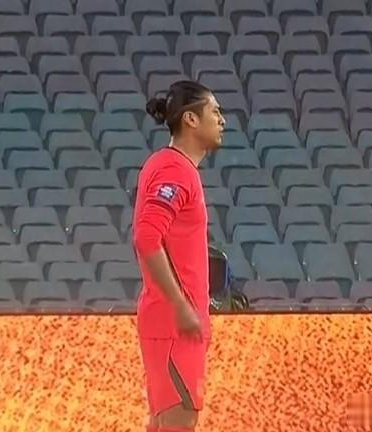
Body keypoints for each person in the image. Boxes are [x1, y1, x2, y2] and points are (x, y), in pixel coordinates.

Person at [132, 80, 225, 432]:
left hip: (172, 324)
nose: (222, 120)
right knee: (177, 422)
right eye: (214, 111)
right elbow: (146, 238)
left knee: (164, 423)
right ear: (190, 119)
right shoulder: (174, 170)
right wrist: (181, 305)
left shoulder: (173, 167)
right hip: (174, 327)